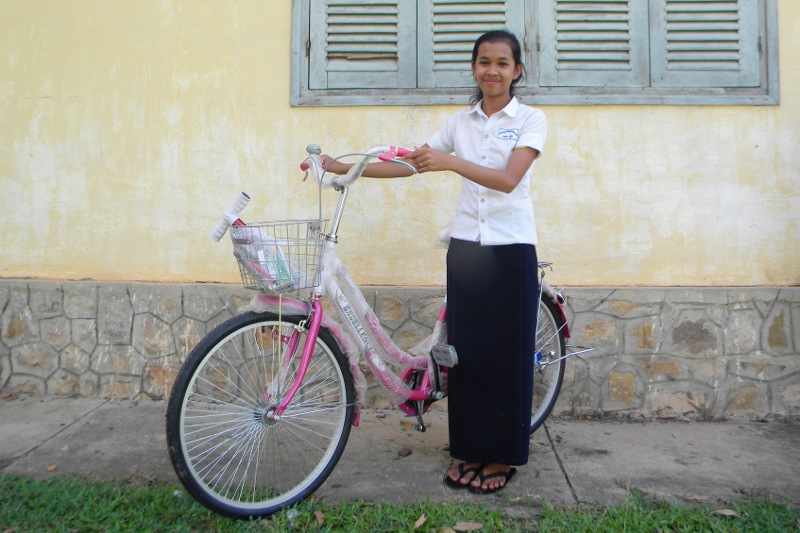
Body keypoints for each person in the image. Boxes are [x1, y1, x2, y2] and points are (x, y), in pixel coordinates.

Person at [320, 30, 546, 495]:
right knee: (464, 356)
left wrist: (449, 162)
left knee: (505, 356)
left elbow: (508, 179)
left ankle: (499, 457)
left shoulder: (530, 120)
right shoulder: (459, 123)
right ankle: (467, 449)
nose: (492, 71)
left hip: (511, 248)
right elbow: (411, 164)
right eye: (484, 61)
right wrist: (346, 168)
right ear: (474, 67)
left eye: (502, 63)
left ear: (517, 70)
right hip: (467, 249)